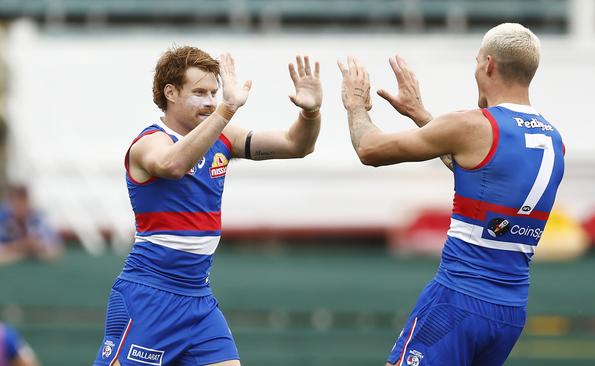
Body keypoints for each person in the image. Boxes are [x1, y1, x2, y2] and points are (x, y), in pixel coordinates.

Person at [338, 23, 565, 366]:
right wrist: (421, 115)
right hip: (510, 311)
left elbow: (370, 149)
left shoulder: (472, 125)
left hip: (457, 300)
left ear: (488, 64)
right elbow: (483, 172)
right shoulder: (553, 139)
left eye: (476, 62)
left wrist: (356, 105)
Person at [94, 47, 322, 365]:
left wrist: (310, 113)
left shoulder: (223, 135)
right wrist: (226, 109)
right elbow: (173, 164)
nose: (210, 101)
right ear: (170, 93)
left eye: (214, 93)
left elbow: (297, 145)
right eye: (200, 92)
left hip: (198, 300)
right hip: (149, 295)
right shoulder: (150, 142)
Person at [0, 184, 62, 264]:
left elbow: (55, 249)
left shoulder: (37, 219)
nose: (19, 207)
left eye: (22, 202)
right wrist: (21, 246)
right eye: (15, 203)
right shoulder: (3, 218)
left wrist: (37, 247)